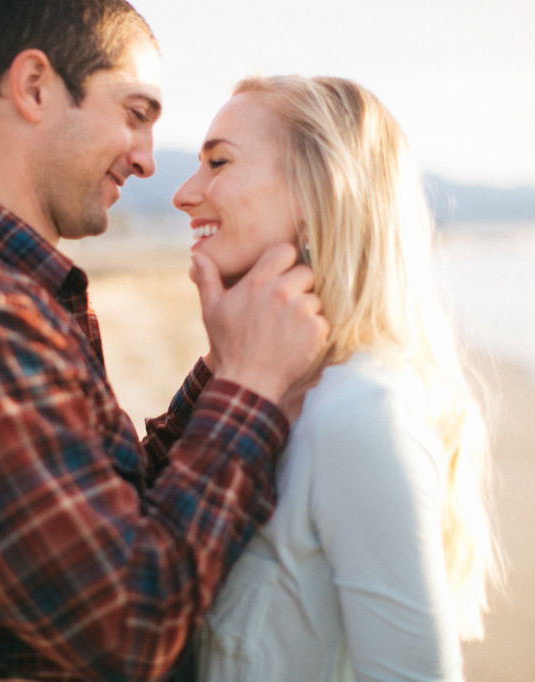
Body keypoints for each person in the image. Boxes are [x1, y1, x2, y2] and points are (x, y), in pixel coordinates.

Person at [0, 1, 328, 680]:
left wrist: (223, 368)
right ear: (35, 87)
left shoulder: (13, 295)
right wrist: (250, 389)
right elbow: (129, 624)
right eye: (135, 114)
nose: (150, 162)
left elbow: (119, 520)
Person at [172, 75, 504, 681]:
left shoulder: (358, 413)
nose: (184, 194)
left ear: (317, 191)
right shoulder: (257, 393)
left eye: (218, 161)